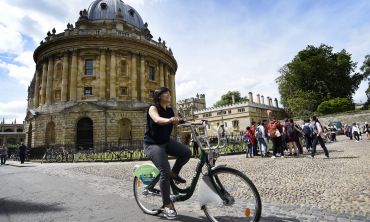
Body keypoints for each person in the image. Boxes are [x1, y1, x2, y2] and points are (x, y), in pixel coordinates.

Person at [143, 87, 191, 220]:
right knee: (164, 170)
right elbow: (157, 120)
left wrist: (200, 122)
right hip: (152, 144)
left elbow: (180, 121)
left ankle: (174, 174)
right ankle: (167, 205)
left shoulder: (170, 110)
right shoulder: (153, 108)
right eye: (166, 93)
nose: (169, 95)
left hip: (165, 141)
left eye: (169, 93)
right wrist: (170, 120)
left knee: (186, 152)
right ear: (159, 96)